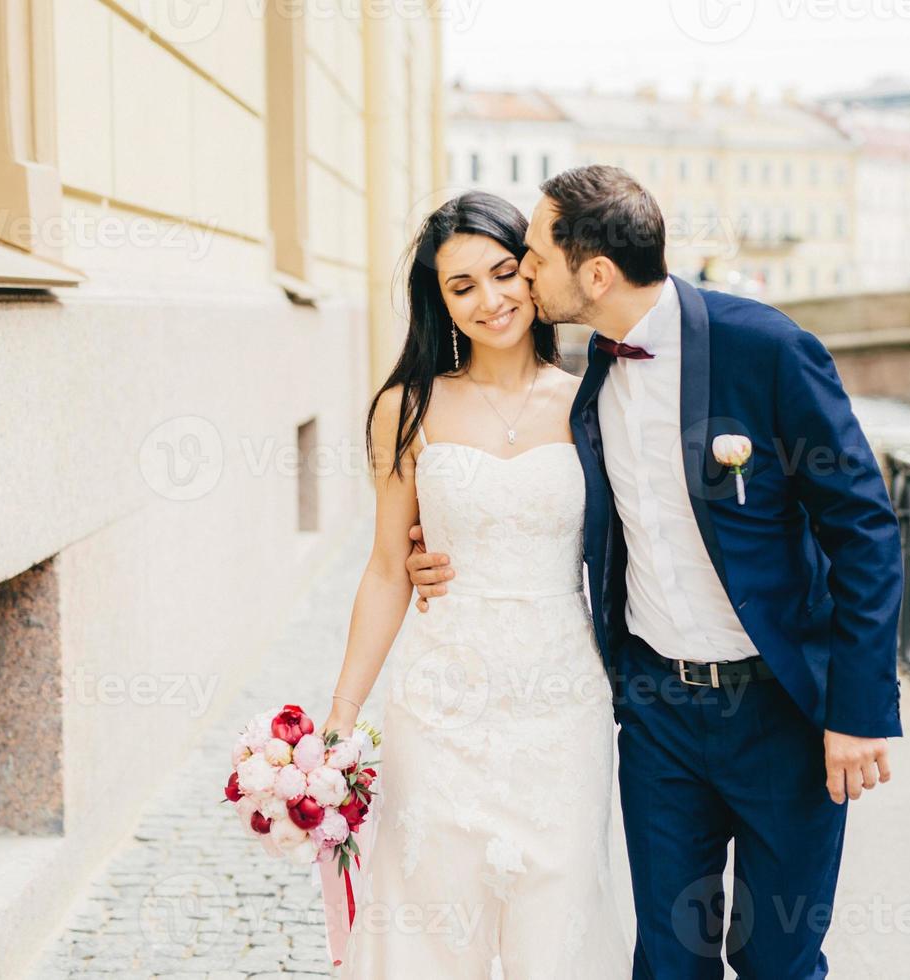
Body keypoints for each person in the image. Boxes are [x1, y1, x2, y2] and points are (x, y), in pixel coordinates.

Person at [407, 166, 903, 978]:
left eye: (533, 256)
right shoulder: (588, 378)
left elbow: (865, 529)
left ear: (593, 273)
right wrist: (426, 548)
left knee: (777, 958)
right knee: (669, 960)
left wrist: (857, 710)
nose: (523, 274)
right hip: (658, 715)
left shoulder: (766, 348)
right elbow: (526, 496)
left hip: (782, 708)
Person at [327, 191, 629, 977]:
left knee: (555, 920)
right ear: (440, 301)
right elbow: (390, 568)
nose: (491, 301)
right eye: (463, 287)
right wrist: (341, 717)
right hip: (440, 703)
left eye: (503, 274)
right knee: (432, 920)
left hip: (562, 703)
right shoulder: (407, 407)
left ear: (533, 275)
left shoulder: (595, 401)